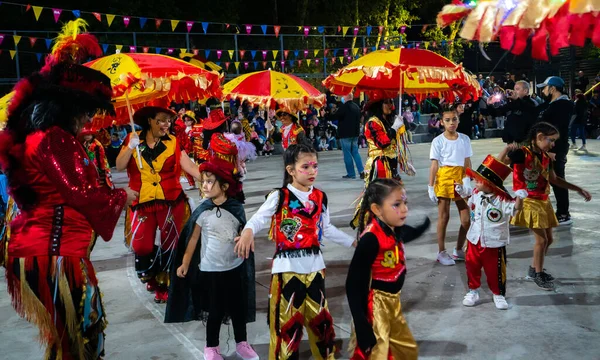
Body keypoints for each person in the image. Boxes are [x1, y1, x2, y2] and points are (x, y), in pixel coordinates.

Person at [0, 19, 137, 359]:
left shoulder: (37, 138)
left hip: (42, 249)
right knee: (84, 335)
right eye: (87, 112)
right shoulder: (56, 139)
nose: (90, 120)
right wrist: (122, 196)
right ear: (70, 107)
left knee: (66, 338)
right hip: (57, 254)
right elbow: (82, 192)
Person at [234, 143, 356, 360]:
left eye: (315, 166)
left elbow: (326, 228)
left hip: (316, 270)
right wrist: (247, 232)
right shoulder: (279, 196)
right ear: (290, 170)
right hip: (287, 272)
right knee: (287, 327)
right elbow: (259, 218)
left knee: (322, 325)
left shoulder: (320, 197)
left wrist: (354, 242)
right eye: (306, 167)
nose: (312, 172)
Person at [166, 157, 259, 360]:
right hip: (210, 270)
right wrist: (185, 263)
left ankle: (242, 343)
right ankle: (211, 348)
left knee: (237, 308)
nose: (204, 186)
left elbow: (244, 232)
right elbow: (192, 240)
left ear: (224, 186)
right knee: (215, 310)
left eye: (209, 182)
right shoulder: (202, 210)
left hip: (234, 267)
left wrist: (244, 237)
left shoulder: (236, 208)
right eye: (203, 182)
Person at [116, 106, 200, 303]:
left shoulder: (173, 142)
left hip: (171, 201)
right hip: (142, 201)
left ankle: (166, 285)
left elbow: (188, 165)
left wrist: (209, 178)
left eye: (169, 121)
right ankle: (152, 277)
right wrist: (130, 148)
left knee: (170, 245)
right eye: (162, 120)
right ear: (150, 121)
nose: (166, 124)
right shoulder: (133, 139)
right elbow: (119, 165)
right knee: (141, 245)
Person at [499, 122, 592, 290]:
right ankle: (538, 274)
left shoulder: (544, 156)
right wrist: (507, 150)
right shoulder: (521, 153)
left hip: (543, 201)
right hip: (528, 202)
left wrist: (578, 189)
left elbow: (554, 179)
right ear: (540, 137)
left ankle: (534, 269)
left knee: (548, 239)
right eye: (551, 140)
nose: (553, 144)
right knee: (541, 240)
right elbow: (500, 164)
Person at [346, 179, 430, 360]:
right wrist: (361, 325)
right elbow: (353, 285)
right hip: (377, 307)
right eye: (396, 205)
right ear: (377, 209)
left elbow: (406, 233)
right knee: (378, 353)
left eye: (405, 203)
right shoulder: (371, 239)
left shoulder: (394, 229)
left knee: (405, 351)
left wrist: (421, 228)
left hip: (394, 304)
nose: (404, 209)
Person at [454, 155, 526, 310]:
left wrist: (520, 197)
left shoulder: (502, 200)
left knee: (495, 269)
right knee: (472, 266)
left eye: (479, 180)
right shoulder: (476, 193)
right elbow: (470, 203)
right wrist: (461, 190)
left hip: (493, 242)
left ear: (490, 184)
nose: (476, 181)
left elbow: (515, 209)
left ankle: (498, 294)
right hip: (475, 239)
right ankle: (473, 291)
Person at [352, 99, 415, 227]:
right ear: (378, 105)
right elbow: (383, 143)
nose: (390, 106)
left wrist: (403, 163)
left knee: (395, 195)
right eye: (386, 102)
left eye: (391, 102)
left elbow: (394, 147)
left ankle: (390, 223)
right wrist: (394, 128)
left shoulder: (388, 120)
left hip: (391, 165)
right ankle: (374, 226)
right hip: (379, 166)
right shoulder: (372, 123)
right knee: (380, 196)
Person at [428, 105, 473, 265]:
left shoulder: (465, 139)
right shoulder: (437, 141)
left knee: (466, 219)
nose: (451, 123)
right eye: (447, 120)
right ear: (442, 122)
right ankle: (441, 251)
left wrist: (468, 179)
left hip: (461, 177)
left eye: (454, 119)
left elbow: (467, 161)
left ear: (458, 120)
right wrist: (430, 186)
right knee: (444, 217)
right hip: (445, 178)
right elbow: (434, 165)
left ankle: (458, 249)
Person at [536, 76, 575, 225]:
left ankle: (564, 213)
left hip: (554, 149)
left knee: (557, 180)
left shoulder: (562, 105)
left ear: (553, 88)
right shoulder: (552, 104)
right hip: (547, 148)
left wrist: (553, 149)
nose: (543, 90)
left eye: (545, 87)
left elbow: (559, 129)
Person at [326, 93, 365, 179]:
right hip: (355, 133)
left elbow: (335, 116)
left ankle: (351, 173)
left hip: (345, 134)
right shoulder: (356, 107)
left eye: (343, 96)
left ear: (346, 97)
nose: (342, 98)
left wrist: (326, 115)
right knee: (355, 152)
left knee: (347, 154)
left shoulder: (344, 107)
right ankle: (361, 171)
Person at [487, 80, 538, 145]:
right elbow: (497, 112)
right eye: (514, 89)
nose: (514, 91)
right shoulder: (514, 103)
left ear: (525, 91)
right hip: (511, 142)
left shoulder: (532, 103)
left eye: (517, 89)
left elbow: (528, 109)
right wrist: (490, 104)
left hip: (525, 142)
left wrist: (517, 100)